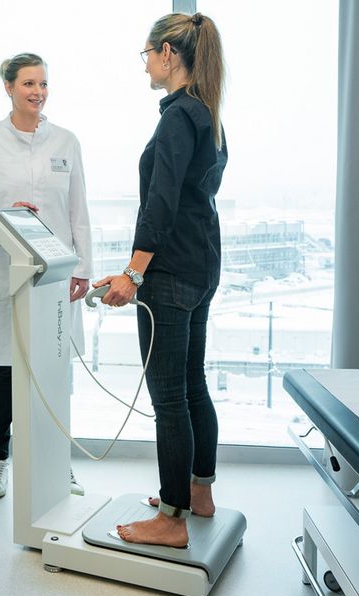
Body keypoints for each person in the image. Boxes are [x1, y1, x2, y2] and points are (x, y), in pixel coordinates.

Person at [93, 12, 227, 547]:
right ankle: (199, 492)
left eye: (147, 53)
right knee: (191, 385)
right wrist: (134, 268)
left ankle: (171, 519)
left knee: (169, 395)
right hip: (200, 267)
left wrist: (133, 273)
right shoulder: (208, 114)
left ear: (169, 54)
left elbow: (161, 203)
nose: (145, 63)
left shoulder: (178, 117)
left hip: (170, 273)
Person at [0, 53, 93, 499]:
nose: (38, 92)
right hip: (5, 268)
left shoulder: (67, 142)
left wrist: (84, 269)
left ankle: (58, 463)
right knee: (3, 368)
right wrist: (6, 218)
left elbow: (78, 212)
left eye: (43, 84)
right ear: (9, 87)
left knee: (54, 369)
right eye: (29, 83)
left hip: (56, 273)